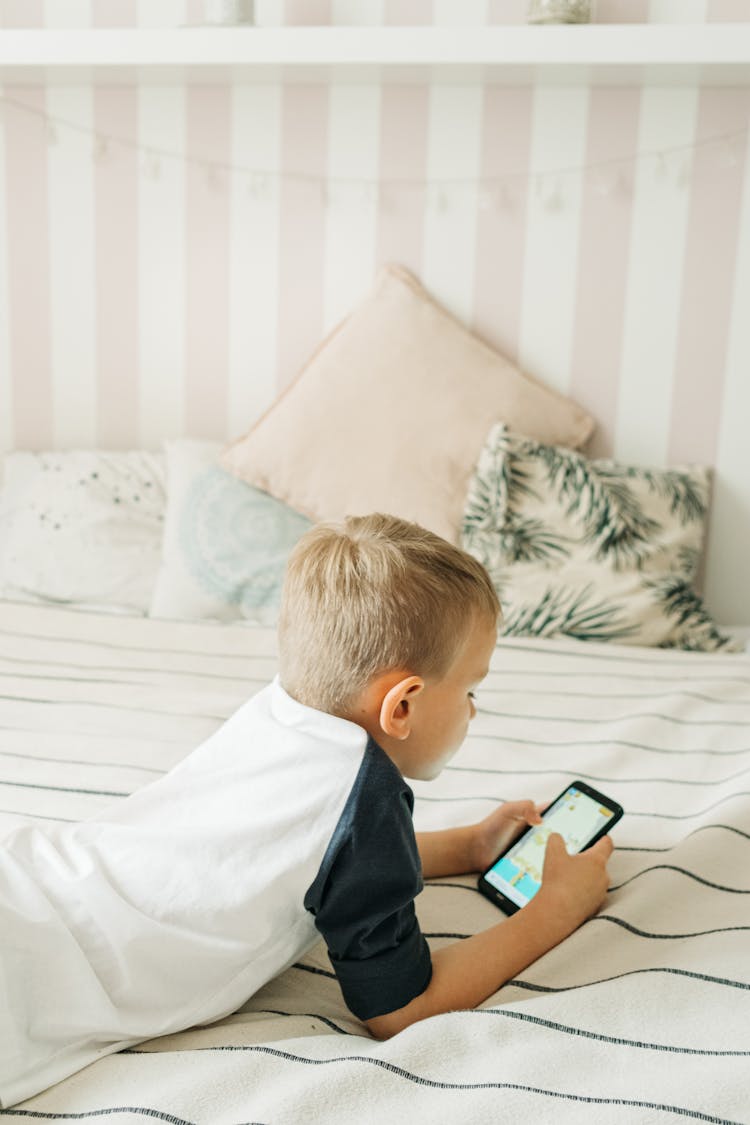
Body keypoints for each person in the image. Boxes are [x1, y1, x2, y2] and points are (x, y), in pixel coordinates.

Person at [0, 514, 613, 1107]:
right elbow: (402, 1009)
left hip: (39, 878)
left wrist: (468, 847)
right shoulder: (366, 801)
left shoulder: (277, 712)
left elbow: (303, 859)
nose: (475, 711)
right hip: (43, 965)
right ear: (402, 707)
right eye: (472, 690)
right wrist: (557, 910)